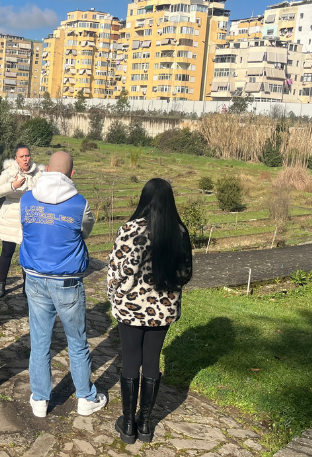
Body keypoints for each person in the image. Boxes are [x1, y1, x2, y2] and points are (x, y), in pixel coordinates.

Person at [19, 151, 107, 418]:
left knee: (40, 342)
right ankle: (85, 398)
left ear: (46, 169)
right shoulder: (80, 204)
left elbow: (26, 229)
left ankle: (40, 399)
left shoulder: (26, 199)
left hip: (35, 278)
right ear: (72, 174)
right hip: (67, 281)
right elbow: (85, 231)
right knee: (77, 342)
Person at [107, 178, 193, 444]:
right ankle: (145, 425)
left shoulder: (130, 230)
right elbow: (186, 274)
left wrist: (116, 297)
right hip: (163, 310)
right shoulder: (179, 232)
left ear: (144, 199)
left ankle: (128, 425)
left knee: (131, 359)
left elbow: (117, 272)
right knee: (152, 360)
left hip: (131, 308)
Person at [0, 144, 42, 298]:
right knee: (7, 251)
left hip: (30, 218)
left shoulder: (38, 174)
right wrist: (13, 185)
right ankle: (1, 284)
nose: (25, 159)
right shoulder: (9, 172)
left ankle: (27, 286)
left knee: (27, 254)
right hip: (10, 219)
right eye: (22, 156)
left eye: (27, 155)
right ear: (16, 158)